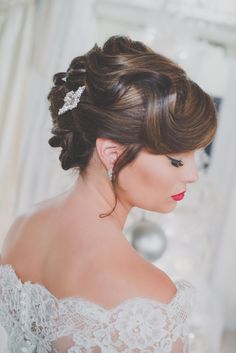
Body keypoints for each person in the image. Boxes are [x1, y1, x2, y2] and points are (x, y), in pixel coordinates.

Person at [0, 35, 217, 352]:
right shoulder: (149, 300)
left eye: (195, 156)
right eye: (176, 160)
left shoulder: (25, 225)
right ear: (112, 153)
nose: (193, 174)